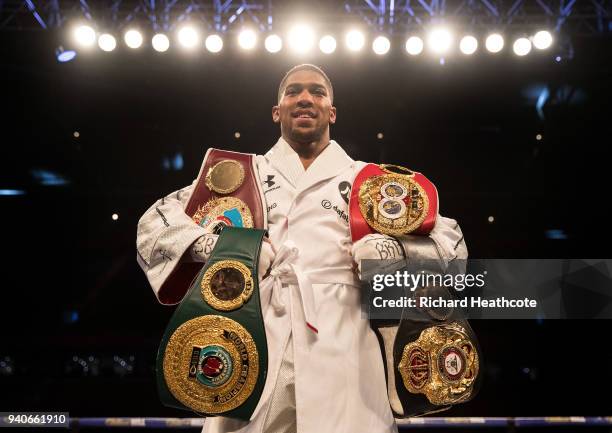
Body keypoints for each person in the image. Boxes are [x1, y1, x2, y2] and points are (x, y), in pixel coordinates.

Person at [136, 64, 467, 433]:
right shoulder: (243, 174)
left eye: (317, 92)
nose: (305, 98)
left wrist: (392, 250)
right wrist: (228, 247)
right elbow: (155, 224)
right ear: (277, 111)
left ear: (332, 111)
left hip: (347, 344)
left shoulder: (372, 182)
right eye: (293, 91)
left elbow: (450, 246)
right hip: (255, 337)